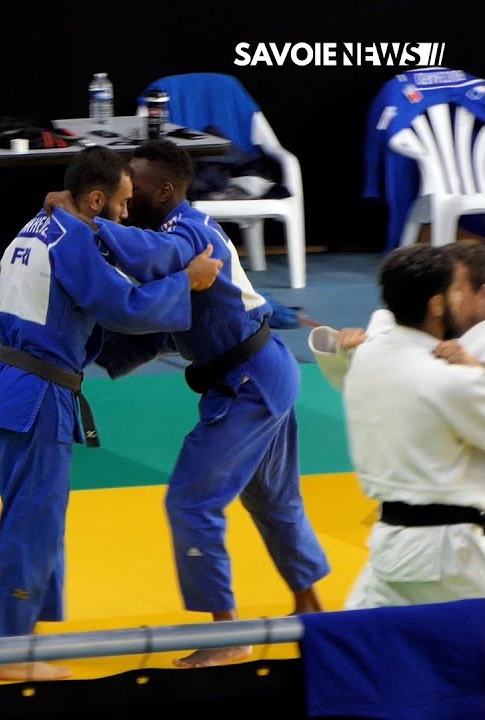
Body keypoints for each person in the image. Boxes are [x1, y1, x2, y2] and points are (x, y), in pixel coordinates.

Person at [44, 139, 331, 668]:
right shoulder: (174, 233)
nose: (125, 194)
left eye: (135, 184)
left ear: (166, 190)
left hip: (249, 381)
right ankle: (314, 617)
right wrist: (81, 356)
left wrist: (89, 223)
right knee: (274, 502)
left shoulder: (187, 232)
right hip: (259, 375)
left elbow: (154, 260)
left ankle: (230, 635)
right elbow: (158, 327)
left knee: (191, 502)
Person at [0, 146, 223, 682]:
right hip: (37, 395)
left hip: (8, 387)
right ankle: (10, 651)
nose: (128, 216)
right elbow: (122, 306)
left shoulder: (38, 226)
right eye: (124, 204)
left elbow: (84, 306)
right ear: (98, 199)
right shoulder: (75, 236)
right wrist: (189, 281)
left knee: (32, 519)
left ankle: (20, 640)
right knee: (32, 524)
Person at [336, 244, 485, 609]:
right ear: (436, 304)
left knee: (359, 649)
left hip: (392, 546)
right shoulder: (447, 381)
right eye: (457, 291)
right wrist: (475, 371)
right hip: (454, 559)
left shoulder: (366, 356)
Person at [309, 240, 484, 389]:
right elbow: (364, 387)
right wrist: (349, 353)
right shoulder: (395, 325)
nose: (445, 299)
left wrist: (473, 367)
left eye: (456, 290)